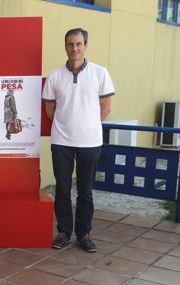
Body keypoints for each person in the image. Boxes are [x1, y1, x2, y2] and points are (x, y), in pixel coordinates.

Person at [42, 28, 115, 252]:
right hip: (61, 141)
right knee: (62, 189)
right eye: (70, 44)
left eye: (78, 44)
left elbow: (106, 108)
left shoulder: (100, 73)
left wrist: (88, 125)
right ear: (65, 46)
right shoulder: (55, 76)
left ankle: (83, 234)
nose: (74, 48)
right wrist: (68, 126)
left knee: (85, 190)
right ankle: (64, 231)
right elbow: (50, 110)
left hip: (91, 142)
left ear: (85, 45)